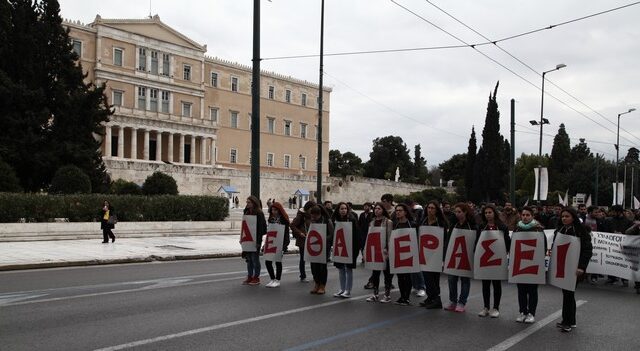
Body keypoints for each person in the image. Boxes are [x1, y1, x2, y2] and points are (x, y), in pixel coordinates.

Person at [554, 207, 593, 332]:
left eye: (567, 216)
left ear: (573, 217)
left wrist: (581, 267)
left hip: (575, 268)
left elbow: (587, 250)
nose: (564, 218)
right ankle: (571, 320)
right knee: (567, 293)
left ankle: (567, 322)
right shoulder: (560, 230)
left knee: (569, 293)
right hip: (563, 266)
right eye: (563, 216)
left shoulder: (580, 231)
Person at [513, 206, 546, 323]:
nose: (525, 217)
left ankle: (531, 313)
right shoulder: (517, 229)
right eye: (523, 215)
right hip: (520, 263)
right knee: (521, 290)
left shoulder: (538, 229)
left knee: (532, 290)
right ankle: (522, 312)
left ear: (532, 216)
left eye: (528, 215)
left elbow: (544, 247)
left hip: (533, 263)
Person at [477, 204, 511, 318]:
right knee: (485, 284)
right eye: (486, 213)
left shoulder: (502, 227)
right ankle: (486, 307)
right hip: (485, 259)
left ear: (494, 213)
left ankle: (496, 308)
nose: (488, 215)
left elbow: (507, 242)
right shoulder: (482, 226)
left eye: (490, 212)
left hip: (497, 259)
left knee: (496, 284)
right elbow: (477, 242)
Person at [444, 203, 476, 313]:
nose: (457, 214)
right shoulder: (454, 224)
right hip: (454, 254)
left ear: (465, 212)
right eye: (456, 212)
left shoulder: (472, 225)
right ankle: (453, 301)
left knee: (465, 279)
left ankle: (462, 302)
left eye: (459, 212)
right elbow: (449, 239)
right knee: (451, 279)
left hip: (466, 256)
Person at [418, 200, 449, 309]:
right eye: (429, 208)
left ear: (437, 210)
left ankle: (436, 299)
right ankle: (431, 297)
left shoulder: (441, 223)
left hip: (436, 254)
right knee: (427, 276)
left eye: (432, 208)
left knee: (433, 277)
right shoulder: (424, 221)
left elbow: (444, 239)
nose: (430, 210)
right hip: (425, 253)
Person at [365, 202, 394, 303]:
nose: (377, 210)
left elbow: (390, 237)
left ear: (383, 210)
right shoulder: (372, 222)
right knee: (375, 274)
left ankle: (387, 295)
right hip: (375, 251)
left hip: (384, 251)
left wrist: (388, 250)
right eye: (376, 208)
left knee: (387, 274)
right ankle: (375, 294)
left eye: (379, 209)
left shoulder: (388, 222)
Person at [332, 202, 359, 298]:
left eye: (345, 208)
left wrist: (356, 250)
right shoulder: (335, 220)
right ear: (338, 210)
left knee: (348, 269)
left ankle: (348, 290)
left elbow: (356, 235)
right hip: (340, 247)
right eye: (341, 209)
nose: (343, 210)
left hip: (350, 248)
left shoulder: (352, 219)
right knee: (340, 269)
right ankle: (342, 289)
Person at [393, 203, 416, 306]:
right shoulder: (396, 224)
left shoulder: (412, 224)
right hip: (398, 252)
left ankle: (406, 298)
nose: (397, 212)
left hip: (409, 252)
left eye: (400, 210)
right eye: (396, 210)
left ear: (405, 212)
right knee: (400, 276)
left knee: (407, 276)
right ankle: (402, 296)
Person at [308, 205, 334, 295]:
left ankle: (322, 285)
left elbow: (332, 234)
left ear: (319, 214)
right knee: (314, 266)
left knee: (322, 267)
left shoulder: (327, 220)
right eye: (312, 216)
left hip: (324, 246)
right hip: (314, 246)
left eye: (314, 216)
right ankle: (316, 283)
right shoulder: (312, 221)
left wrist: (323, 238)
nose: (313, 217)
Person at [242, 196, 266, 286]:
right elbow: (244, 226)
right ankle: (250, 276)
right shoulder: (247, 212)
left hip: (255, 239)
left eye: (249, 202)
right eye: (247, 202)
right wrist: (242, 238)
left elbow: (261, 228)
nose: (247, 204)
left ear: (254, 203)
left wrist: (258, 242)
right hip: (248, 239)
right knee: (249, 259)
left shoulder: (259, 213)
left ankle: (256, 277)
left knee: (255, 259)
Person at [265, 202, 290, 288]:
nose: (273, 211)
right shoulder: (270, 219)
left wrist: (284, 246)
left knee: (278, 262)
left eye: (275, 210)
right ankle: (272, 279)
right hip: (271, 242)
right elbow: (269, 233)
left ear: (279, 210)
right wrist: (265, 245)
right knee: (267, 261)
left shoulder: (284, 220)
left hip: (280, 243)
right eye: (272, 210)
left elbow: (286, 235)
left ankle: (277, 280)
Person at [291, 201, 316, 282]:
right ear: (308, 208)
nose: (312, 210)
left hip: (312, 239)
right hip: (303, 239)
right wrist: (300, 233)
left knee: (313, 258)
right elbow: (292, 225)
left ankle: (315, 275)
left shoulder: (313, 216)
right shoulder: (301, 215)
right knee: (303, 258)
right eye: (311, 209)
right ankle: (303, 276)